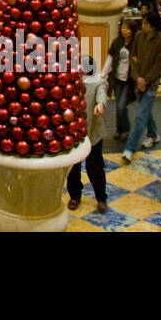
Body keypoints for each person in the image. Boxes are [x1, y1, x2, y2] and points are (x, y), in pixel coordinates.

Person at [122, 10, 161, 161]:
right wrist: (137, 78)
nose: (143, 26)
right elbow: (133, 58)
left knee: (140, 117)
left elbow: (158, 66)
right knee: (145, 111)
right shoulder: (139, 36)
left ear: (153, 26)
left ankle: (130, 148)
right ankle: (153, 135)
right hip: (138, 82)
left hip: (150, 86)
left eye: (146, 24)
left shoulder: (160, 42)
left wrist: (145, 81)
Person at [67, 69, 110, 214]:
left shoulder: (98, 82)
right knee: (73, 167)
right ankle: (75, 196)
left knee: (95, 167)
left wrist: (101, 104)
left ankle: (101, 198)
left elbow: (102, 93)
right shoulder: (70, 82)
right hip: (73, 133)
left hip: (92, 133)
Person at [103, 18, 135, 139]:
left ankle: (125, 129)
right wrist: (104, 74)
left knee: (121, 105)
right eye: (123, 28)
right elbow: (110, 59)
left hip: (128, 80)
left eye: (127, 28)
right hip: (117, 78)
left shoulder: (135, 44)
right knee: (118, 106)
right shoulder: (117, 42)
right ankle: (119, 129)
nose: (124, 30)